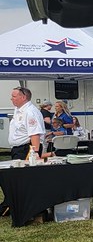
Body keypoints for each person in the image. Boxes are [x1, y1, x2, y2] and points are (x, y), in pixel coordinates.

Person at [2, 87, 46, 217]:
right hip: (17, 148)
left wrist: (35, 153)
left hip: (27, 149)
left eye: (14, 96)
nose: (11, 99)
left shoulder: (30, 112)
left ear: (23, 97)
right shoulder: (18, 110)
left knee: (24, 179)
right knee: (17, 178)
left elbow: (35, 134)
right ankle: (12, 204)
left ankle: (24, 207)